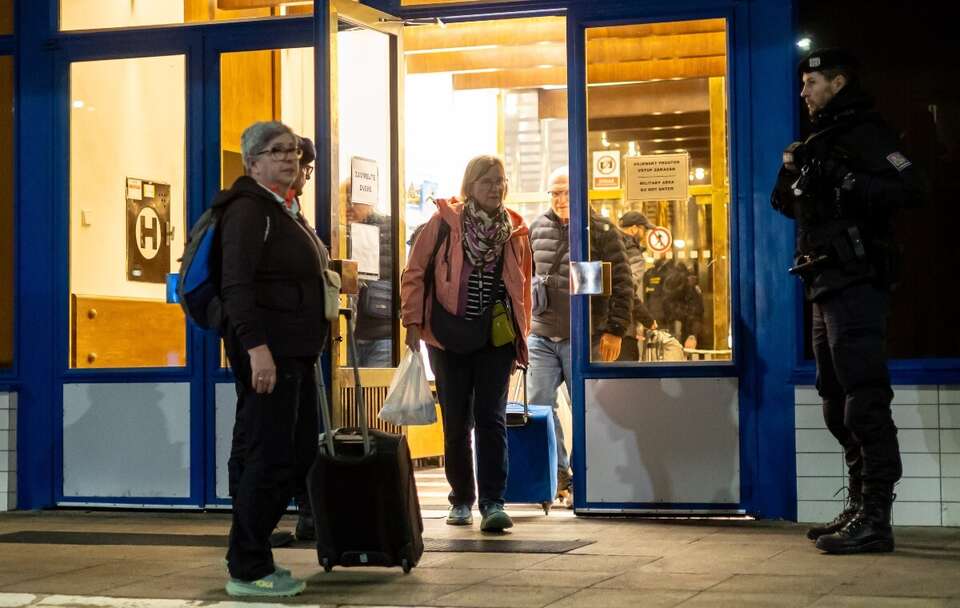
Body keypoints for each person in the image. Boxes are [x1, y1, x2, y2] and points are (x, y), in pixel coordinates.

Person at [771, 48, 926, 554]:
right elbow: (791, 206)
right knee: (836, 402)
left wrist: (847, 178)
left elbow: (911, 189)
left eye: (811, 82)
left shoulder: (867, 134)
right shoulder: (819, 140)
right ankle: (859, 504)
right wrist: (791, 170)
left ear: (837, 83)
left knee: (864, 398)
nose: (804, 91)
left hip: (858, 282)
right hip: (823, 283)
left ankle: (876, 516)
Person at [219, 121, 330, 596]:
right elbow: (237, 287)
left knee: (277, 454)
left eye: (293, 150)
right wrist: (256, 349)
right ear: (253, 163)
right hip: (270, 356)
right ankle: (248, 568)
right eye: (276, 150)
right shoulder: (249, 211)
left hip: (293, 354)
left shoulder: (282, 209)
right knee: (269, 458)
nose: (289, 157)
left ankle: (250, 555)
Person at [400, 155, 532, 532]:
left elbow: (522, 288)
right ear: (470, 185)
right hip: (446, 335)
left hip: (495, 338)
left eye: (501, 181)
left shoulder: (515, 232)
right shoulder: (442, 224)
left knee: (492, 418)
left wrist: (522, 338)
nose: (496, 188)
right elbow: (414, 273)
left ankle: (493, 501)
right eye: (488, 181)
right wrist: (412, 321)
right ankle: (461, 499)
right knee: (457, 421)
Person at [526, 166, 633, 507]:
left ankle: (585, 478)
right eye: (554, 193)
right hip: (541, 334)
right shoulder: (536, 227)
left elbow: (623, 284)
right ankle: (558, 476)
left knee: (588, 408)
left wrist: (615, 329)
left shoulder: (600, 230)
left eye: (565, 192)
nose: (558, 199)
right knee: (538, 406)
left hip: (581, 335)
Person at [345, 181, 394, 367]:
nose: (350, 203)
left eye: (355, 197)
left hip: (383, 333)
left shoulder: (389, 227)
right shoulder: (339, 231)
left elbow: (390, 271)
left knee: (377, 393)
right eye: (346, 197)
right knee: (348, 395)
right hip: (347, 334)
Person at [617, 211, 657, 361]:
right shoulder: (633, 254)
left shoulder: (606, 246)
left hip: (597, 328)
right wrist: (647, 320)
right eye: (644, 229)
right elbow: (626, 290)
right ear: (634, 229)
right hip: (622, 330)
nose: (645, 234)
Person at [642, 256, 703, 350]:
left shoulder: (680, 275)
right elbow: (647, 302)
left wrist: (692, 334)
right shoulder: (650, 274)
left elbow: (695, 308)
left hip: (675, 329)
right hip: (655, 330)